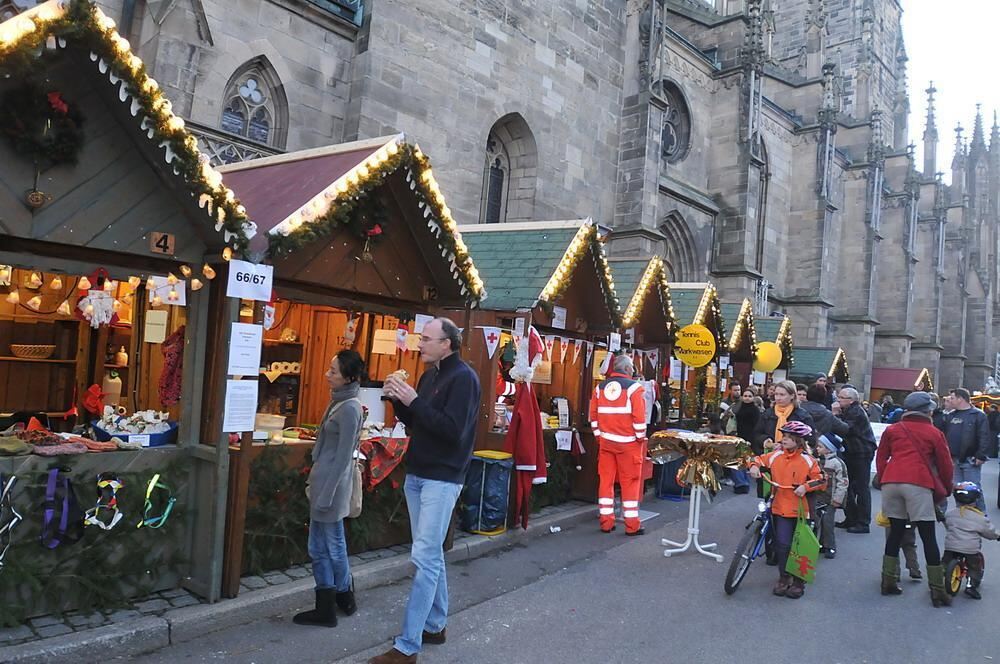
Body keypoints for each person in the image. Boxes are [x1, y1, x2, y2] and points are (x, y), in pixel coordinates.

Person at [372, 318, 481, 664]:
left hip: (442, 477)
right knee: (430, 554)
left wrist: (414, 402)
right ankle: (435, 624)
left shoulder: (463, 378)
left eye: (427, 339)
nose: (420, 344)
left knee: (425, 558)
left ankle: (407, 646)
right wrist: (397, 401)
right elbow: (418, 422)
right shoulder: (430, 374)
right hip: (418, 473)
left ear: (447, 344)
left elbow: (452, 431)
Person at [294, 350, 366, 628]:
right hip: (324, 482)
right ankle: (338, 599)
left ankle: (334, 600)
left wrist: (327, 493)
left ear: (348, 377)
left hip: (331, 487)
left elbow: (344, 456)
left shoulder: (349, 408)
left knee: (329, 545)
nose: (327, 374)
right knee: (324, 544)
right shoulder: (339, 402)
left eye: (333, 371)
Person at [874, 391, 954, 607]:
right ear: (927, 410)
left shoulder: (893, 429)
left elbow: (881, 457)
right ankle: (937, 591)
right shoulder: (934, 432)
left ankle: (888, 581)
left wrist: (884, 478)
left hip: (892, 482)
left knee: (895, 532)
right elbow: (945, 465)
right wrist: (946, 488)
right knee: (928, 536)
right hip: (917, 483)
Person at [748, 421, 826, 599]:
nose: (784, 440)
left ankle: (799, 581)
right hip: (780, 507)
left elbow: (821, 480)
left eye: (789, 438)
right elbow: (757, 459)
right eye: (783, 436)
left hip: (801, 510)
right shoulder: (776, 456)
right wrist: (753, 466)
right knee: (782, 545)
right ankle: (784, 577)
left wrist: (805, 487)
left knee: (801, 546)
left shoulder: (808, 460)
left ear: (799, 441)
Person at [591, 353, 647, 535]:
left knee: (605, 482)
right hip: (629, 445)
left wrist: (601, 437)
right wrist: (639, 438)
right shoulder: (635, 389)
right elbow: (639, 420)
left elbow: (594, 418)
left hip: (606, 443)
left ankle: (606, 522)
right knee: (629, 484)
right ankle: (632, 526)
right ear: (629, 369)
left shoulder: (599, 388)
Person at [943, 482, 1000, 600]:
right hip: (970, 549)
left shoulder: (950, 513)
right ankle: (971, 586)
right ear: (975, 499)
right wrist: (997, 536)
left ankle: (938, 578)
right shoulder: (979, 518)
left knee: (945, 562)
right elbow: (989, 532)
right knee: (975, 566)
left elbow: (947, 524)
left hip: (950, 546)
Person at [833, 386, 877, 533]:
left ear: (851, 400)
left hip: (861, 452)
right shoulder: (850, 411)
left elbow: (846, 429)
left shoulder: (856, 412)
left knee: (861, 487)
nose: (838, 400)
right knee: (848, 486)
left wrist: (835, 415)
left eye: (841, 397)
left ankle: (863, 522)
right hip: (853, 452)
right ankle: (851, 518)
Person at [940, 388, 991, 511]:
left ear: (960, 399)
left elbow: (984, 436)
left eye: (952, 398)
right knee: (958, 490)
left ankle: (980, 517)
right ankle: (962, 515)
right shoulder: (950, 415)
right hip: (953, 459)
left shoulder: (978, 415)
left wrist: (980, 455)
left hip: (970, 459)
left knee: (974, 490)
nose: (949, 401)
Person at [753, 380, 816, 455]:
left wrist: (788, 445)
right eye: (776, 394)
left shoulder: (802, 416)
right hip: (769, 456)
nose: (778, 398)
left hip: (794, 458)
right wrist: (766, 441)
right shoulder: (767, 414)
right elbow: (756, 434)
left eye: (782, 395)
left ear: (792, 396)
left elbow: (811, 440)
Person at [814, 434, 848, 559]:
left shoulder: (837, 463)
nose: (817, 448)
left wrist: (838, 499)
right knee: (818, 521)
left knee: (828, 523)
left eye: (820, 447)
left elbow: (843, 482)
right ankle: (821, 544)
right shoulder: (819, 461)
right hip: (819, 497)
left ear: (829, 449)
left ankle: (830, 546)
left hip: (830, 499)